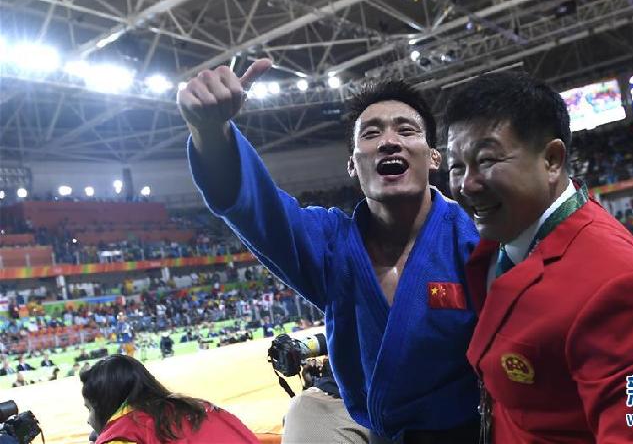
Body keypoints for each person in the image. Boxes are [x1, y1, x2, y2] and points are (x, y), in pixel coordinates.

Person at [178, 61, 480, 442]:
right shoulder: (331, 243)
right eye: (371, 133)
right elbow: (257, 209)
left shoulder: (472, 242)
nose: (389, 141)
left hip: (463, 431)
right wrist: (210, 132)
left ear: (434, 157)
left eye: (406, 130)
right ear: (352, 165)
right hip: (369, 423)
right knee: (305, 412)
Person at [444, 72, 633, 443]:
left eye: (486, 160)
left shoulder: (618, 287)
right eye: (456, 166)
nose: (466, 184)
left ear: (552, 159)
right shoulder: (501, 240)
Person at [80, 354, 260, 444]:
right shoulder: (200, 408)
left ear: (107, 405)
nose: (89, 421)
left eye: (90, 409)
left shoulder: (125, 435)